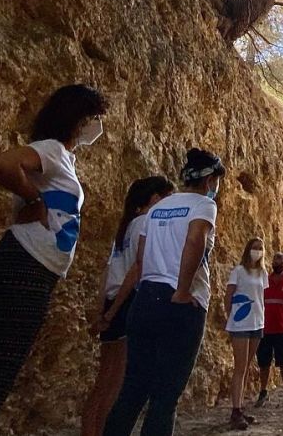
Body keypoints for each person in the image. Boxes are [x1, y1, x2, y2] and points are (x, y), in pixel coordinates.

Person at [0, 84, 109, 434]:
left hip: (30, 271)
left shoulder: (62, 158)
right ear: (76, 118)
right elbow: (1, 163)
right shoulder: (51, 150)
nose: (97, 126)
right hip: (21, 268)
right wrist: (33, 199)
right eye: (94, 118)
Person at [103, 148, 226, 436]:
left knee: (133, 389)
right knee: (165, 397)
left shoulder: (158, 207)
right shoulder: (203, 205)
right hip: (179, 303)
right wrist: (182, 290)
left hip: (146, 299)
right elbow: (195, 240)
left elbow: (142, 256)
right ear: (209, 181)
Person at [81, 176, 175, 436]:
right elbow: (137, 269)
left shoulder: (126, 226)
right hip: (127, 302)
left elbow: (109, 270)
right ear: (155, 199)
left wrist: (103, 310)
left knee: (104, 381)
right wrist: (112, 313)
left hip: (113, 301)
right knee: (116, 384)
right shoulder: (146, 223)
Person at [226, 237, 269, 430]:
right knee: (240, 368)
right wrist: (231, 318)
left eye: (260, 248)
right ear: (247, 249)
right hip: (241, 324)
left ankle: (240, 407)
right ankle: (235, 411)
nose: (258, 251)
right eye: (254, 247)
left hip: (257, 324)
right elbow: (228, 296)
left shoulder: (262, 272)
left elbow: (262, 297)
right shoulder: (238, 271)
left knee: (246, 367)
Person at [255, 251, 283, 408]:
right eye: (275, 261)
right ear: (271, 263)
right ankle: (263, 391)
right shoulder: (265, 281)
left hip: (282, 329)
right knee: (264, 363)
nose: (277, 264)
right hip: (264, 329)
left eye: (280, 261)